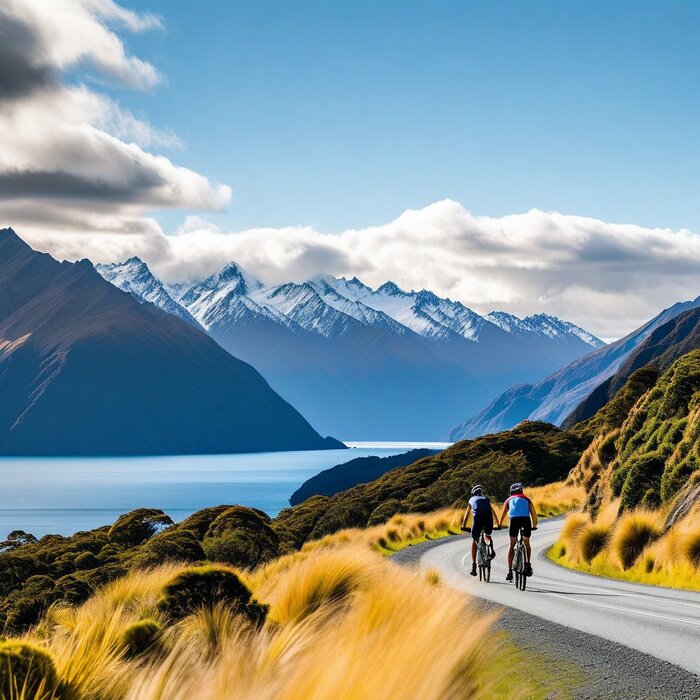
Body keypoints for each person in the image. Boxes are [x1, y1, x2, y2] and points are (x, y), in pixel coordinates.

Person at [498, 482, 538, 582]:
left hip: (514, 521)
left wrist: (499, 525)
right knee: (526, 542)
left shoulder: (508, 500)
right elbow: (533, 513)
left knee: (512, 545)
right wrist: (534, 525)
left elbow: (503, 514)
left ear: (511, 492)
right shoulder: (527, 499)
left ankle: (510, 571)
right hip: (525, 520)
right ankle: (528, 564)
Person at [460, 485, 499, 577]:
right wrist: (498, 523)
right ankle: (491, 549)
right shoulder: (486, 499)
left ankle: (474, 566)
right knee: (487, 534)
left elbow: (466, 515)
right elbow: (492, 512)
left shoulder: (471, 500)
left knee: (474, 540)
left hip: (477, 518)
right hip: (488, 517)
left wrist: (463, 526)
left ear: (473, 494)